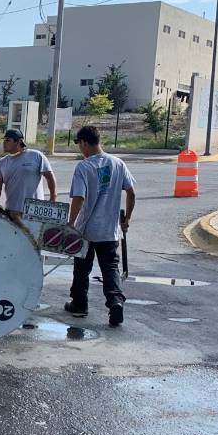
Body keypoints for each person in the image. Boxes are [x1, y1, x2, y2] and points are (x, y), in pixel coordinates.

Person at [65, 125, 136, 327]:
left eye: (79, 144)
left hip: (87, 229)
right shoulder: (118, 164)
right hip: (109, 230)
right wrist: (127, 218)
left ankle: (79, 305)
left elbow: (79, 197)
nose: (80, 148)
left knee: (81, 269)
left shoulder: (84, 167)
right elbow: (131, 193)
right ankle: (115, 301)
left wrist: (70, 224)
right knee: (110, 268)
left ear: (85, 142)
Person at [0, 128, 56, 216]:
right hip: (12, 211)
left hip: (35, 211)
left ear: (18, 142)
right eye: (4, 140)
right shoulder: (1, 163)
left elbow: (50, 177)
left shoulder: (36, 156)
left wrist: (53, 198)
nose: (4, 143)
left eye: (8, 140)